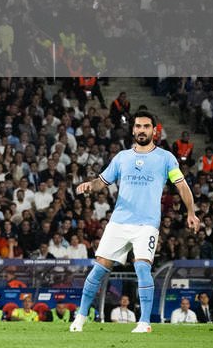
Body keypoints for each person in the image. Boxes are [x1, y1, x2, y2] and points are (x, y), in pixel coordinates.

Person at [69, 109, 200, 335]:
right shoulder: (122, 158)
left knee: (142, 266)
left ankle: (144, 322)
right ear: (133, 130)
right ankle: (80, 317)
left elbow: (181, 186)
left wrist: (191, 212)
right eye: (138, 126)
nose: (141, 130)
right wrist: (90, 186)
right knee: (99, 267)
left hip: (146, 224)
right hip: (119, 222)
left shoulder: (165, 158)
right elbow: (102, 181)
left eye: (146, 126)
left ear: (154, 130)